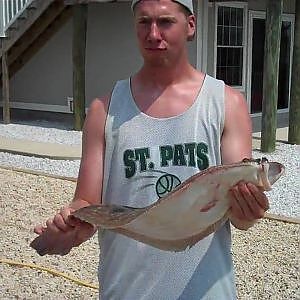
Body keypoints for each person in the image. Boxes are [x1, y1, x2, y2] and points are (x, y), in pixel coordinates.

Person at [31, 0, 269, 299]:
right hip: (127, 289)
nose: (153, 34)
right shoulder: (104, 110)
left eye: (166, 22)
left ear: (191, 25)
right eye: (144, 22)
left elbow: (238, 215)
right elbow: (87, 201)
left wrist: (249, 209)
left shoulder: (226, 103)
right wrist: (71, 223)